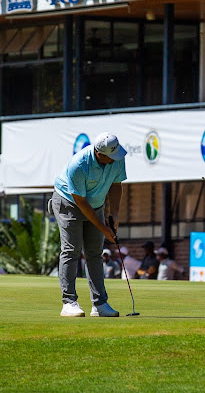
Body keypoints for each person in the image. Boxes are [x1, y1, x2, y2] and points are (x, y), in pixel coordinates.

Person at [51, 132, 127, 318]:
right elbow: (81, 203)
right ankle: (69, 302)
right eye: (111, 156)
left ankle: (99, 304)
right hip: (68, 202)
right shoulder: (78, 165)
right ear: (100, 154)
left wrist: (115, 214)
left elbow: (117, 185)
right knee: (71, 250)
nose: (116, 159)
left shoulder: (116, 157)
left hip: (96, 203)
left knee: (94, 253)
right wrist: (104, 229)